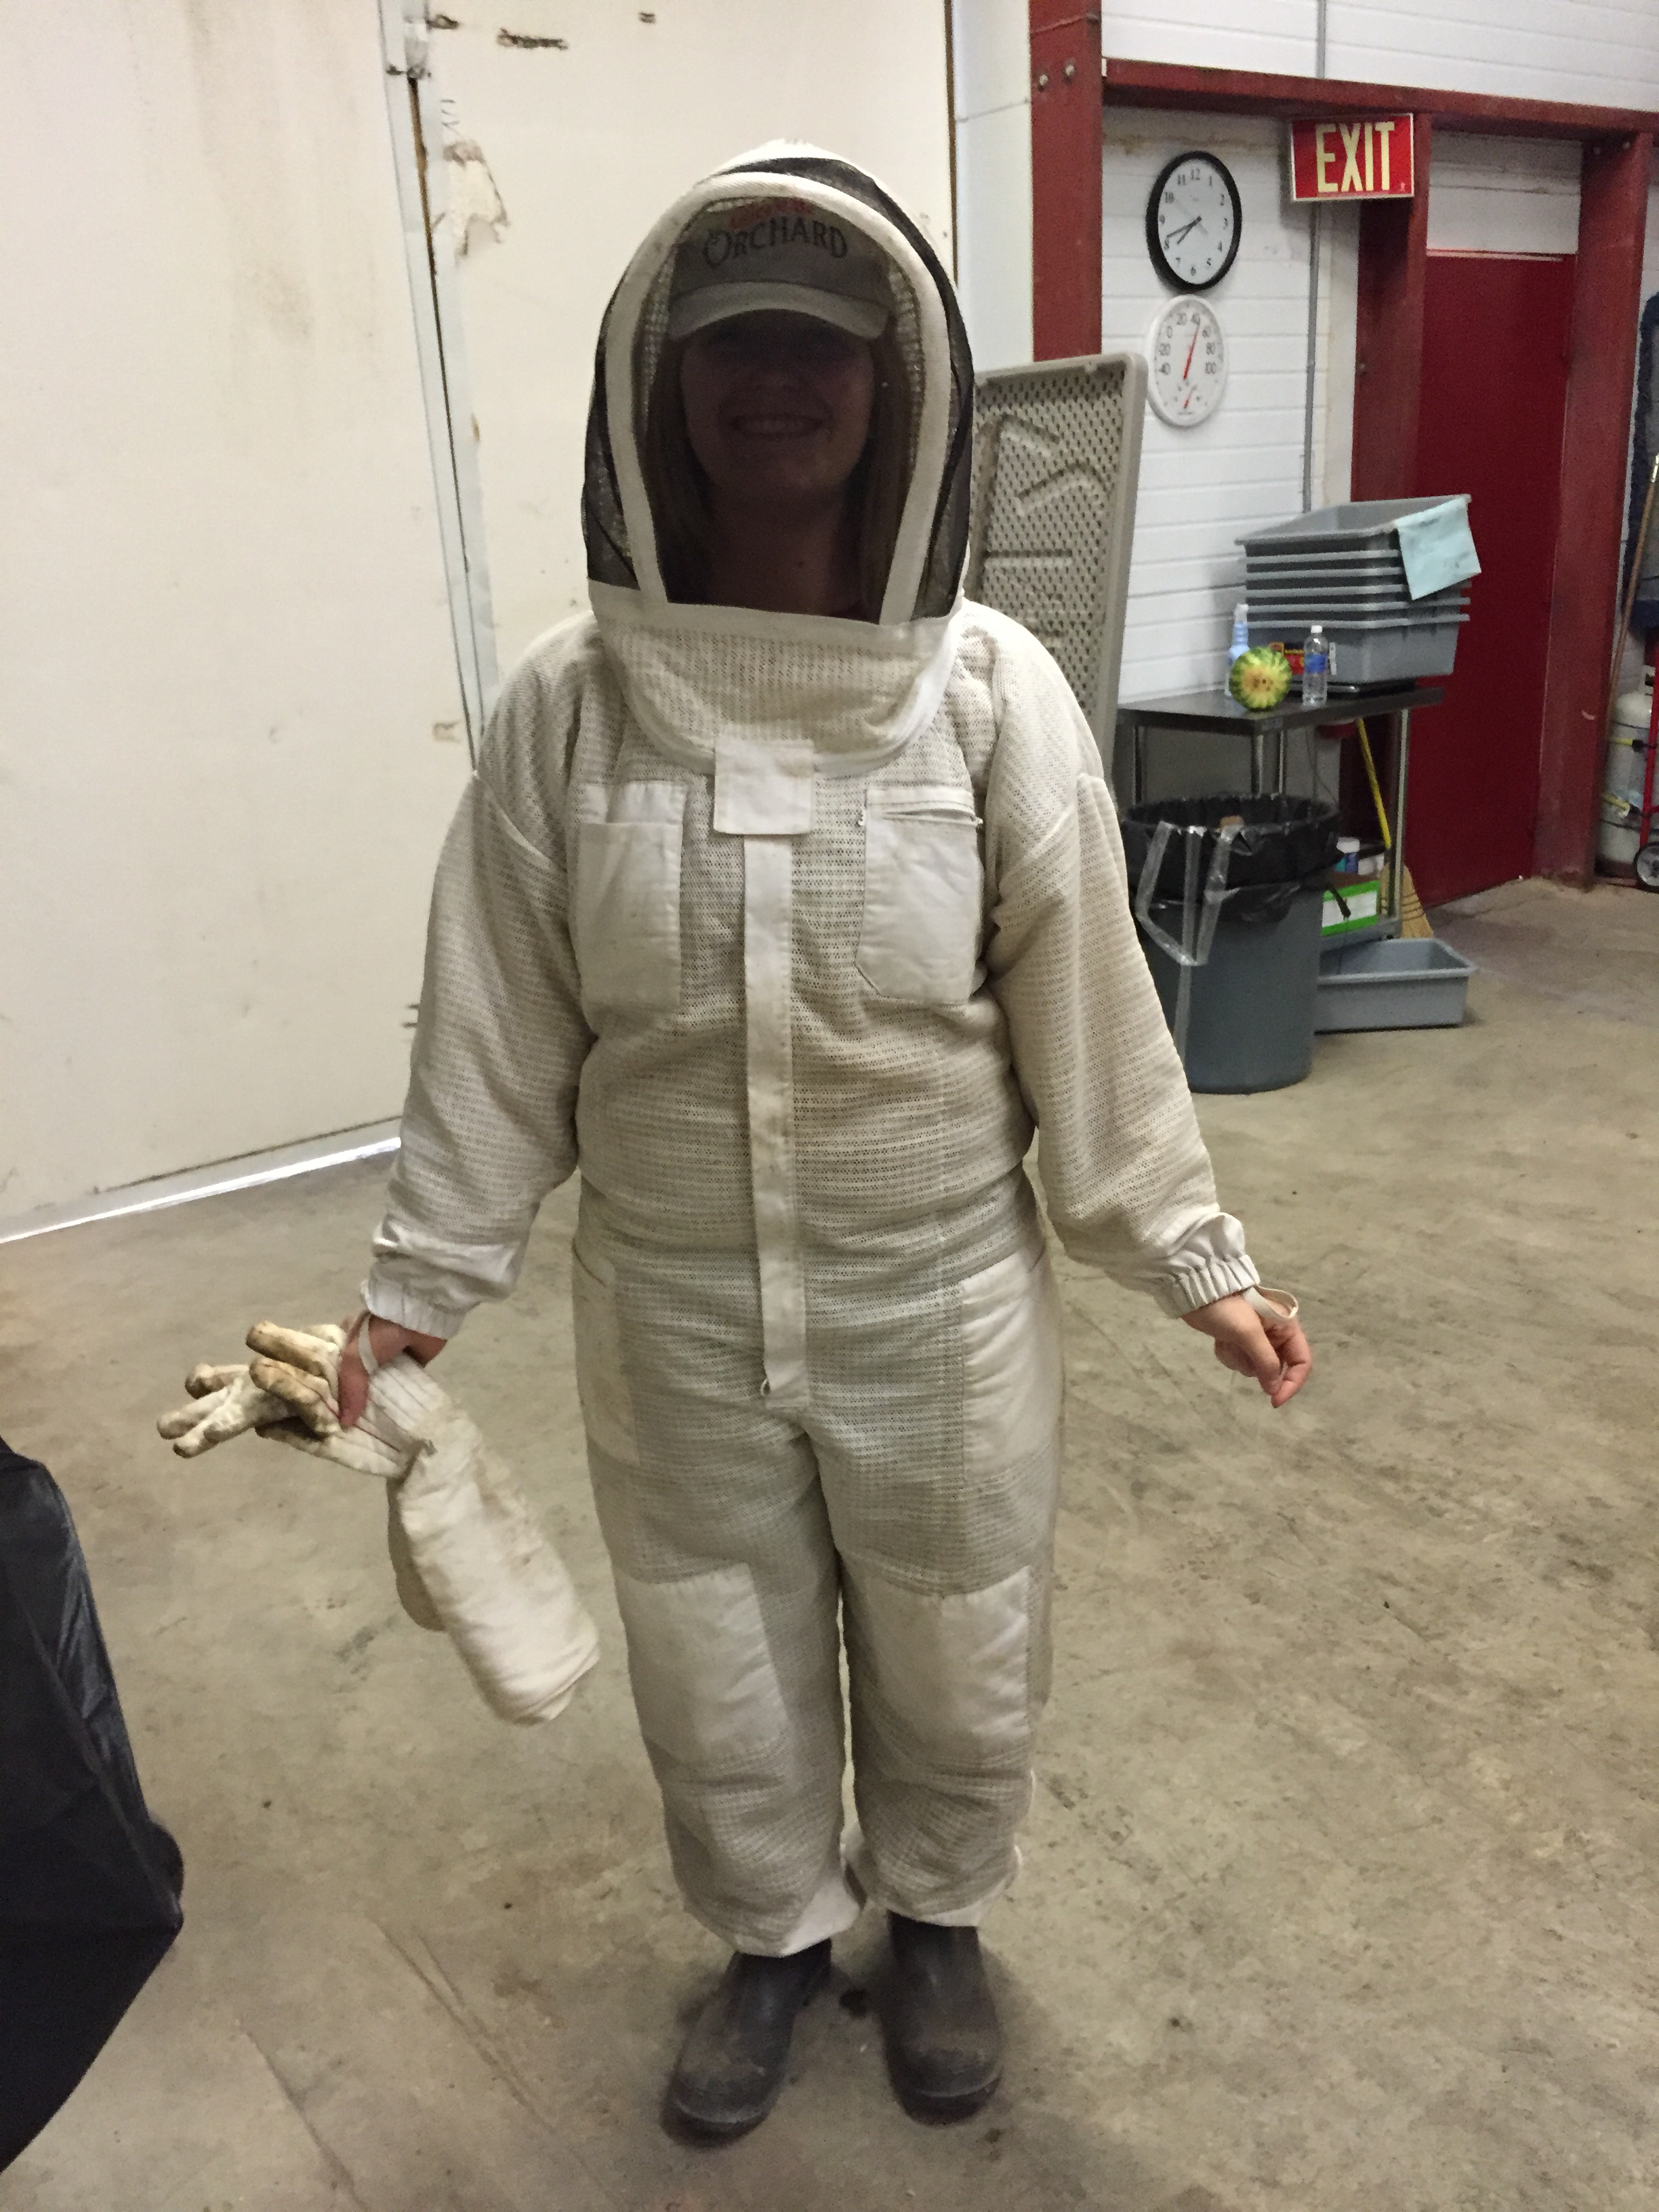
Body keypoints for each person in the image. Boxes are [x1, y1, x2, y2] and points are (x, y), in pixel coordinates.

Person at [337, 146, 1311, 2139]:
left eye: (820, 345)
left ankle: (938, 1921)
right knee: (715, 1648)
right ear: (658, 386)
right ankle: (771, 1939)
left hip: (935, 1293)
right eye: (731, 345)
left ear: (901, 387)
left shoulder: (991, 698)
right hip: (673, 1305)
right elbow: (497, 1024)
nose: (775, 381)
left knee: (959, 1634)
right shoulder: (568, 711)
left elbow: (1090, 1009)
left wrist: (1193, 1257)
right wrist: (420, 1287)